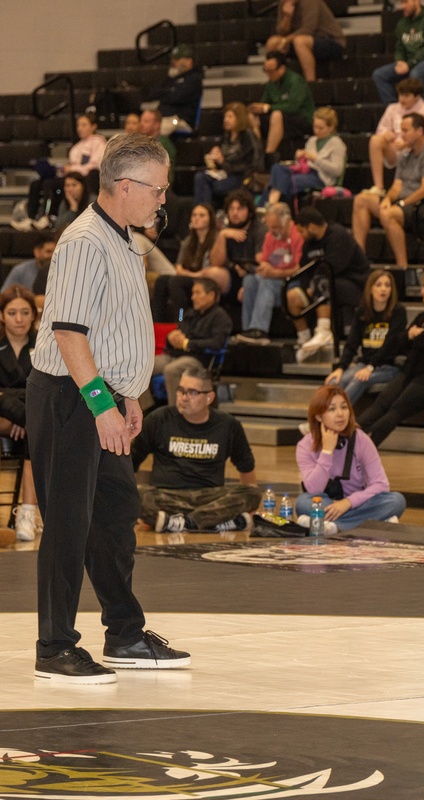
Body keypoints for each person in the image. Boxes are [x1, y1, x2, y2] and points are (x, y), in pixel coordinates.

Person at [26, 132, 190, 685]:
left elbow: (112, 330)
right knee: (69, 523)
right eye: (158, 189)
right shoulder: (84, 241)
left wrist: (128, 396)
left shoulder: (121, 236)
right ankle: (54, 647)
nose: (162, 200)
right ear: (126, 185)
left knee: (116, 515)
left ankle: (123, 632)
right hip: (71, 397)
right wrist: (101, 404)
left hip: (102, 396)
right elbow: (70, 333)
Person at [132, 365, 260, 533]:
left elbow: (246, 469)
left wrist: (251, 506)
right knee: (137, 495)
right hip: (167, 496)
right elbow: (131, 462)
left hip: (210, 497)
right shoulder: (159, 419)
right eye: (181, 391)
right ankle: (213, 522)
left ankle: (183, 522)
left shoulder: (228, 425)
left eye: (192, 392)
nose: (183, 398)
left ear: (209, 397)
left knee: (252, 493)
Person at [356, 264, 424, 446]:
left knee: (397, 408)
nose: (422, 291)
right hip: (413, 372)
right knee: (382, 402)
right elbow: (400, 342)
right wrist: (410, 334)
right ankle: (345, 438)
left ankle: (365, 447)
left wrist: (415, 336)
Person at [296, 385, 406, 533]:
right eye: (332, 409)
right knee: (303, 502)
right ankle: (373, 521)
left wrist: (348, 502)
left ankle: (333, 526)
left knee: (395, 501)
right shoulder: (305, 446)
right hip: (327, 503)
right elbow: (314, 489)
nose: (340, 414)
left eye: (344, 407)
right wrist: (327, 451)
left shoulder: (361, 439)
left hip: (358, 503)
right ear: (318, 416)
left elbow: (380, 484)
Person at [350, 113, 424, 270]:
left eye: (405, 130)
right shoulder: (405, 154)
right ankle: (359, 260)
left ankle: (402, 267)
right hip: (405, 202)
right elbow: (397, 186)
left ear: (419, 131)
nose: (401, 134)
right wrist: (387, 200)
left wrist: (402, 203)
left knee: (388, 214)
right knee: (362, 200)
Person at [292, 207, 370, 361]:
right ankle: (305, 339)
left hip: (354, 284)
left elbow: (333, 267)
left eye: (302, 231)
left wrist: (313, 285)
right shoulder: (309, 243)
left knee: (322, 281)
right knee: (292, 296)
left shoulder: (338, 235)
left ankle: (324, 331)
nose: (300, 235)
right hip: (324, 285)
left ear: (312, 227)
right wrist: (306, 286)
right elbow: (304, 269)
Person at [0, 286, 43, 541]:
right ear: (2, 315)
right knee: (34, 421)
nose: (19, 319)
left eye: (25, 312)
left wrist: (9, 401)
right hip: (13, 416)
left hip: (31, 416)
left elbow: (44, 388)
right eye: (13, 312)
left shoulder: (46, 345)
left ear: (33, 315)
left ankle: (27, 513)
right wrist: (19, 410)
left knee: (36, 427)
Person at [326, 269, 407, 404]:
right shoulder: (362, 312)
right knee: (335, 381)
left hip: (389, 366)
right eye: (379, 285)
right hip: (364, 363)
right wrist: (341, 367)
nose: (383, 289)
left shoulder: (398, 312)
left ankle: (336, 417)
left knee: (360, 379)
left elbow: (390, 344)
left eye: (387, 285)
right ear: (370, 289)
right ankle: (322, 420)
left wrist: (370, 367)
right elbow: (352, 343)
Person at [151, 277, 232, 404]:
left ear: (211, 295)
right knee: (144, 365)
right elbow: (180, 328)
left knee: (171, 370)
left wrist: (187, 343)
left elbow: (217, 344)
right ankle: (145, 409)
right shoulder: (188, 314)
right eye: (193, 293)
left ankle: (176, 412)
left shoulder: (220, 317)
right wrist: (171, 337)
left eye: (197, 293)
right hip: (177, 355)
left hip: (199, 358)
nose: (193, 297)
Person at [18, 114, 106, 231]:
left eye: (84, 125)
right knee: (36, 183)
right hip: (72, 175)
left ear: (93, 126)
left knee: (49, 184)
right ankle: (31, 217)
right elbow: (73, 165)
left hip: (85, 177)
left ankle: (46, 217)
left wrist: (73, 169)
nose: (79, 128)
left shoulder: (99, 142)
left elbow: (95, 165)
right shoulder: (76, 147)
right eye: (78, 125)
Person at [234, 202, 303, 344]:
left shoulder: (298, 236)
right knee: (249, 280)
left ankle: (260, 331)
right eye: (270, 227)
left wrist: (275, 273)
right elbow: (264, 262)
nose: (272, 232)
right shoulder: (270, 236)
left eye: (276, 228)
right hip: (272, 279)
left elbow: (300, 268)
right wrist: (261, 269)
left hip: (291, 282)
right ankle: (248, 330)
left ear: (287, 222)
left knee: (267, 283)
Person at [362, 79, 424, 198]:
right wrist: (386, 134)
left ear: (417, 96)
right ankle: (379, 187)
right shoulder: (392, 108)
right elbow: (381, 129)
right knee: (375, 140)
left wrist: (407, 144)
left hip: (415, 152)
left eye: (406, 96)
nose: (402, 99)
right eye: (400, 95)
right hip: (395, 150)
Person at [262, 106, 345, 207]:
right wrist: (299, 158)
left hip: (321, 177)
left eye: (321, 128)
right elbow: (302, 165)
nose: (317, 131)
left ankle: (267, 206)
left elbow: (337, 171)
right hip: (305, 172)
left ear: (331, 128)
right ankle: (271, 205)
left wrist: (315, 159)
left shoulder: (337, 144)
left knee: (282, 182)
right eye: (315, 127)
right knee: (277, 168)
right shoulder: (311, 141)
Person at [151, 203, 219, 323]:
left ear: (210, 219)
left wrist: (191, 274)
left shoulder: (216, 239)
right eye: (194, 215)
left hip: (207, 280)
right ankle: (158, 323)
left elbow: (211, 270)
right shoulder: (189, 240)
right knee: (161, 281)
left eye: (202, 215)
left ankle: (181, 320)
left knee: (175, 282)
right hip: (191, 277)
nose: (196, 218)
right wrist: (191, 274)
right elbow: (179, 267)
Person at [371, 0, 424, 106]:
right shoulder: (402, 23)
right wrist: (400, 61)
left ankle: (416, 110)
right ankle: (395, 110)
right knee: (379, 75)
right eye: (402, 3)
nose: (403, 6)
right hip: (409, 63)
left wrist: (410, 63)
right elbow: (399, 47)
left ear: (416, 1)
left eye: (406, 2)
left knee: (415, 74)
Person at [248, 51, 315, 167]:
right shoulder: (271, 83)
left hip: (301, 119)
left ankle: (269, 156)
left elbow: (293, 106)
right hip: (281, 118)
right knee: (253, 116)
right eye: (266, 70)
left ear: (282, 68)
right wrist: (257, 108)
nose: (268, 74)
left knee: (276, 115)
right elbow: (264, 103)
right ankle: (257, 152)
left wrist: (268, 108)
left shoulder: (296, 80)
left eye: (271, 71)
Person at [193, 102, 263, 205]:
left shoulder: (248, 137)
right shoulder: (226, 136)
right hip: (226, 174)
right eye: (225, 116)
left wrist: (223, 162)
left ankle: (206, 213)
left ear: (239, 118)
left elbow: (250, 165)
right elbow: (222, 163)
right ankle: (201, 213)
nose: (226, 119)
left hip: (243, 177)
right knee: (200, 177)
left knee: (213, 186)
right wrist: (214, 158)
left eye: (230, 116)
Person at [265, 0, 346, 83]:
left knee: (300, 41)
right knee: (272, 42)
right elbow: (281, 32)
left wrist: (286, 40)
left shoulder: (310, 2)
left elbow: (308, 29)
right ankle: (275, 81)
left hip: (329, 40)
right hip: (300, 39)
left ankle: (310, 82)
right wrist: (287, 16)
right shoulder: (283, 3)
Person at [208, 189, 268, 298]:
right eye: (231, 209)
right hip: (234, 274)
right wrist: (222, 236)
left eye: (240, 209)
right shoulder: (226, 230)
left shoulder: (260, 230)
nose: (235, 213)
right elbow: (215, 262)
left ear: (249, 212)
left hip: (254, 277)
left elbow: (262, 265)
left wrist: (247, 270)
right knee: (212, 274)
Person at [143, 45, 204, 136]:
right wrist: (169, 91)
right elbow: (152, 93)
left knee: (154, 129)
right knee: (139, 127)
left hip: (180, 119)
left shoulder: (194, 80)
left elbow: (177, 97)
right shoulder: (171, 79)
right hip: (164, 118)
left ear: (189, 61)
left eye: (177, 59)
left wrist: (166, 94)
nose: (173, 62)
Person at [138, 110, 177, 177]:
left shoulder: (164, 144)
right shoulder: (138, 142)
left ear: (157, 124)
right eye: (141, 121)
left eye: (146, 121)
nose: (142, 124)